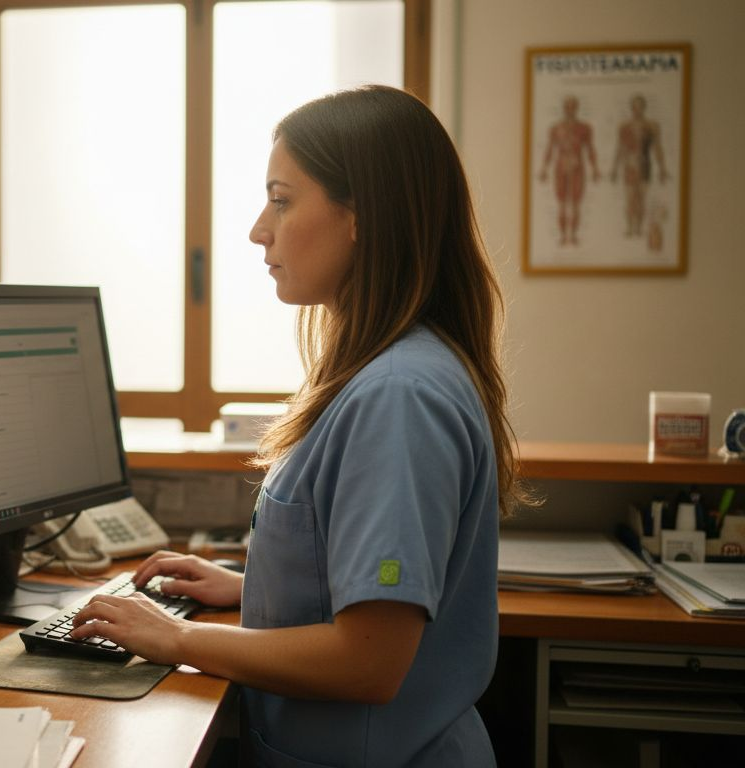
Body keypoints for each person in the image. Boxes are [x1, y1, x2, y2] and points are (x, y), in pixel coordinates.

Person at [69, 85, 529, 766]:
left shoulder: (398, 397)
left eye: (282, 200)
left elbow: (368, 661)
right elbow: (361, 587)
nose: (260, 229)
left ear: (361, 217)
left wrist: (177, 638)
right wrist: (253, 588)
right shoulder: (387, 371)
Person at [537, 96, 599, 246]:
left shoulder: (584, 128)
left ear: (576, 108)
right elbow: (550, 149)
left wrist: (595, 168)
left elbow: (590, 149)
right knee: (562, 204)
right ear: (564, 108)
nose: (570, 109)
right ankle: (563, 236)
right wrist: (544, 168)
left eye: (572, 106)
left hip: (577, 167)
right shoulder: (556, 128)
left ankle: (574, 235)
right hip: (561, 167)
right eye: (567, 106)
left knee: (576, 203)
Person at [610, 94, 668, 238]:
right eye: (635, 106)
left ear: (644, 107)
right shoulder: (624, 126)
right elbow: (620, 148)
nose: (637, 109)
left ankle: (639, 228)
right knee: (630, 198)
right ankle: (630, 228)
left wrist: (662, 169)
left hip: (645, 165)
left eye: (640, 106)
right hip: (629, 166)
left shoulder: (651, 126)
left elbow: (657, 148)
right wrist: (614, 169)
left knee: (641, 198)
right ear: (631, 108)